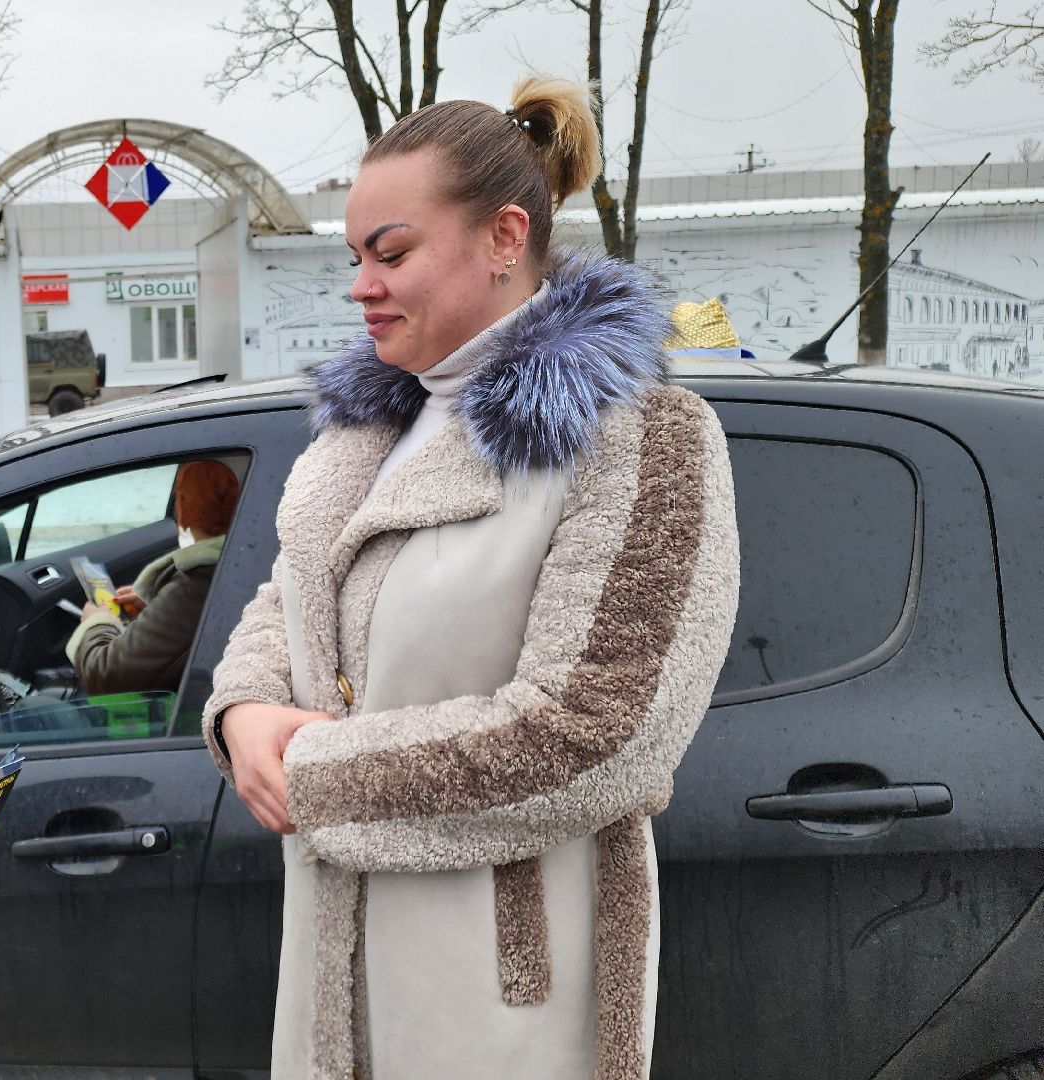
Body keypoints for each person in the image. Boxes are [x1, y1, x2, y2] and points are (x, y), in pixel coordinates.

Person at [200, 78, 739, 1080]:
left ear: (501, 237)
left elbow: (599, 732)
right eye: (355, 256)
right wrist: (240, 712)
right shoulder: (371, 432)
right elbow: (293, 600)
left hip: (503, 1006)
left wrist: (314, 774)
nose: (361, 283)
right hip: (333, 973)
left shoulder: (637, 440)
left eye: (391, 252)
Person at [66, 459, 241, 695]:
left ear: (184, 509)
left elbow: (107, 674)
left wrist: (95, 623)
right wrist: (155, 607)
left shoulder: (199, 581)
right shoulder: (231, 566)